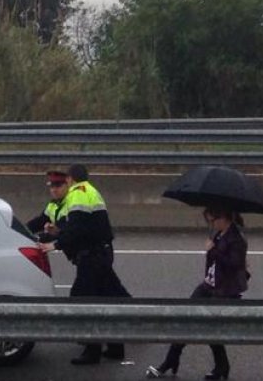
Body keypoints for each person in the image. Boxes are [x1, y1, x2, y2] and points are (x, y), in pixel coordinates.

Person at [38, 163, 131, 365]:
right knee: (109, 297)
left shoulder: (78, 194)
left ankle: (92, 351)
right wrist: (58, 234)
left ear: (70, 179)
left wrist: (56, 244)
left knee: (83, 300)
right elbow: (81, 227)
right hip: (99, 252)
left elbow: (78, 229)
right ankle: (116, 346)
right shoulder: (89, 191)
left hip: (92, 256)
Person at [146, 207, 249, 380]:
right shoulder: (220, 234)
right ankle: (173, 359)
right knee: (186, 318)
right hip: (209, 285)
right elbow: (214, 263)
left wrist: (213, 250)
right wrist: (212, 251)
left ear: (223, 218)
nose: (211, 224)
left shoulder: (236, 238)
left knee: (209, 328)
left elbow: (234, 265)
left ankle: (220, 366)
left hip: (223, 290)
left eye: (212, 220)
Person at [27, 170, 69, 242]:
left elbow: (59, 230)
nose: (54, 190)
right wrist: (23, 231)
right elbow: (40, 221)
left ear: (68, 185)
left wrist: (37, 238)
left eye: (58, 186)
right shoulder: (53, 204)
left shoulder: (73, 204)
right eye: (52, 187)